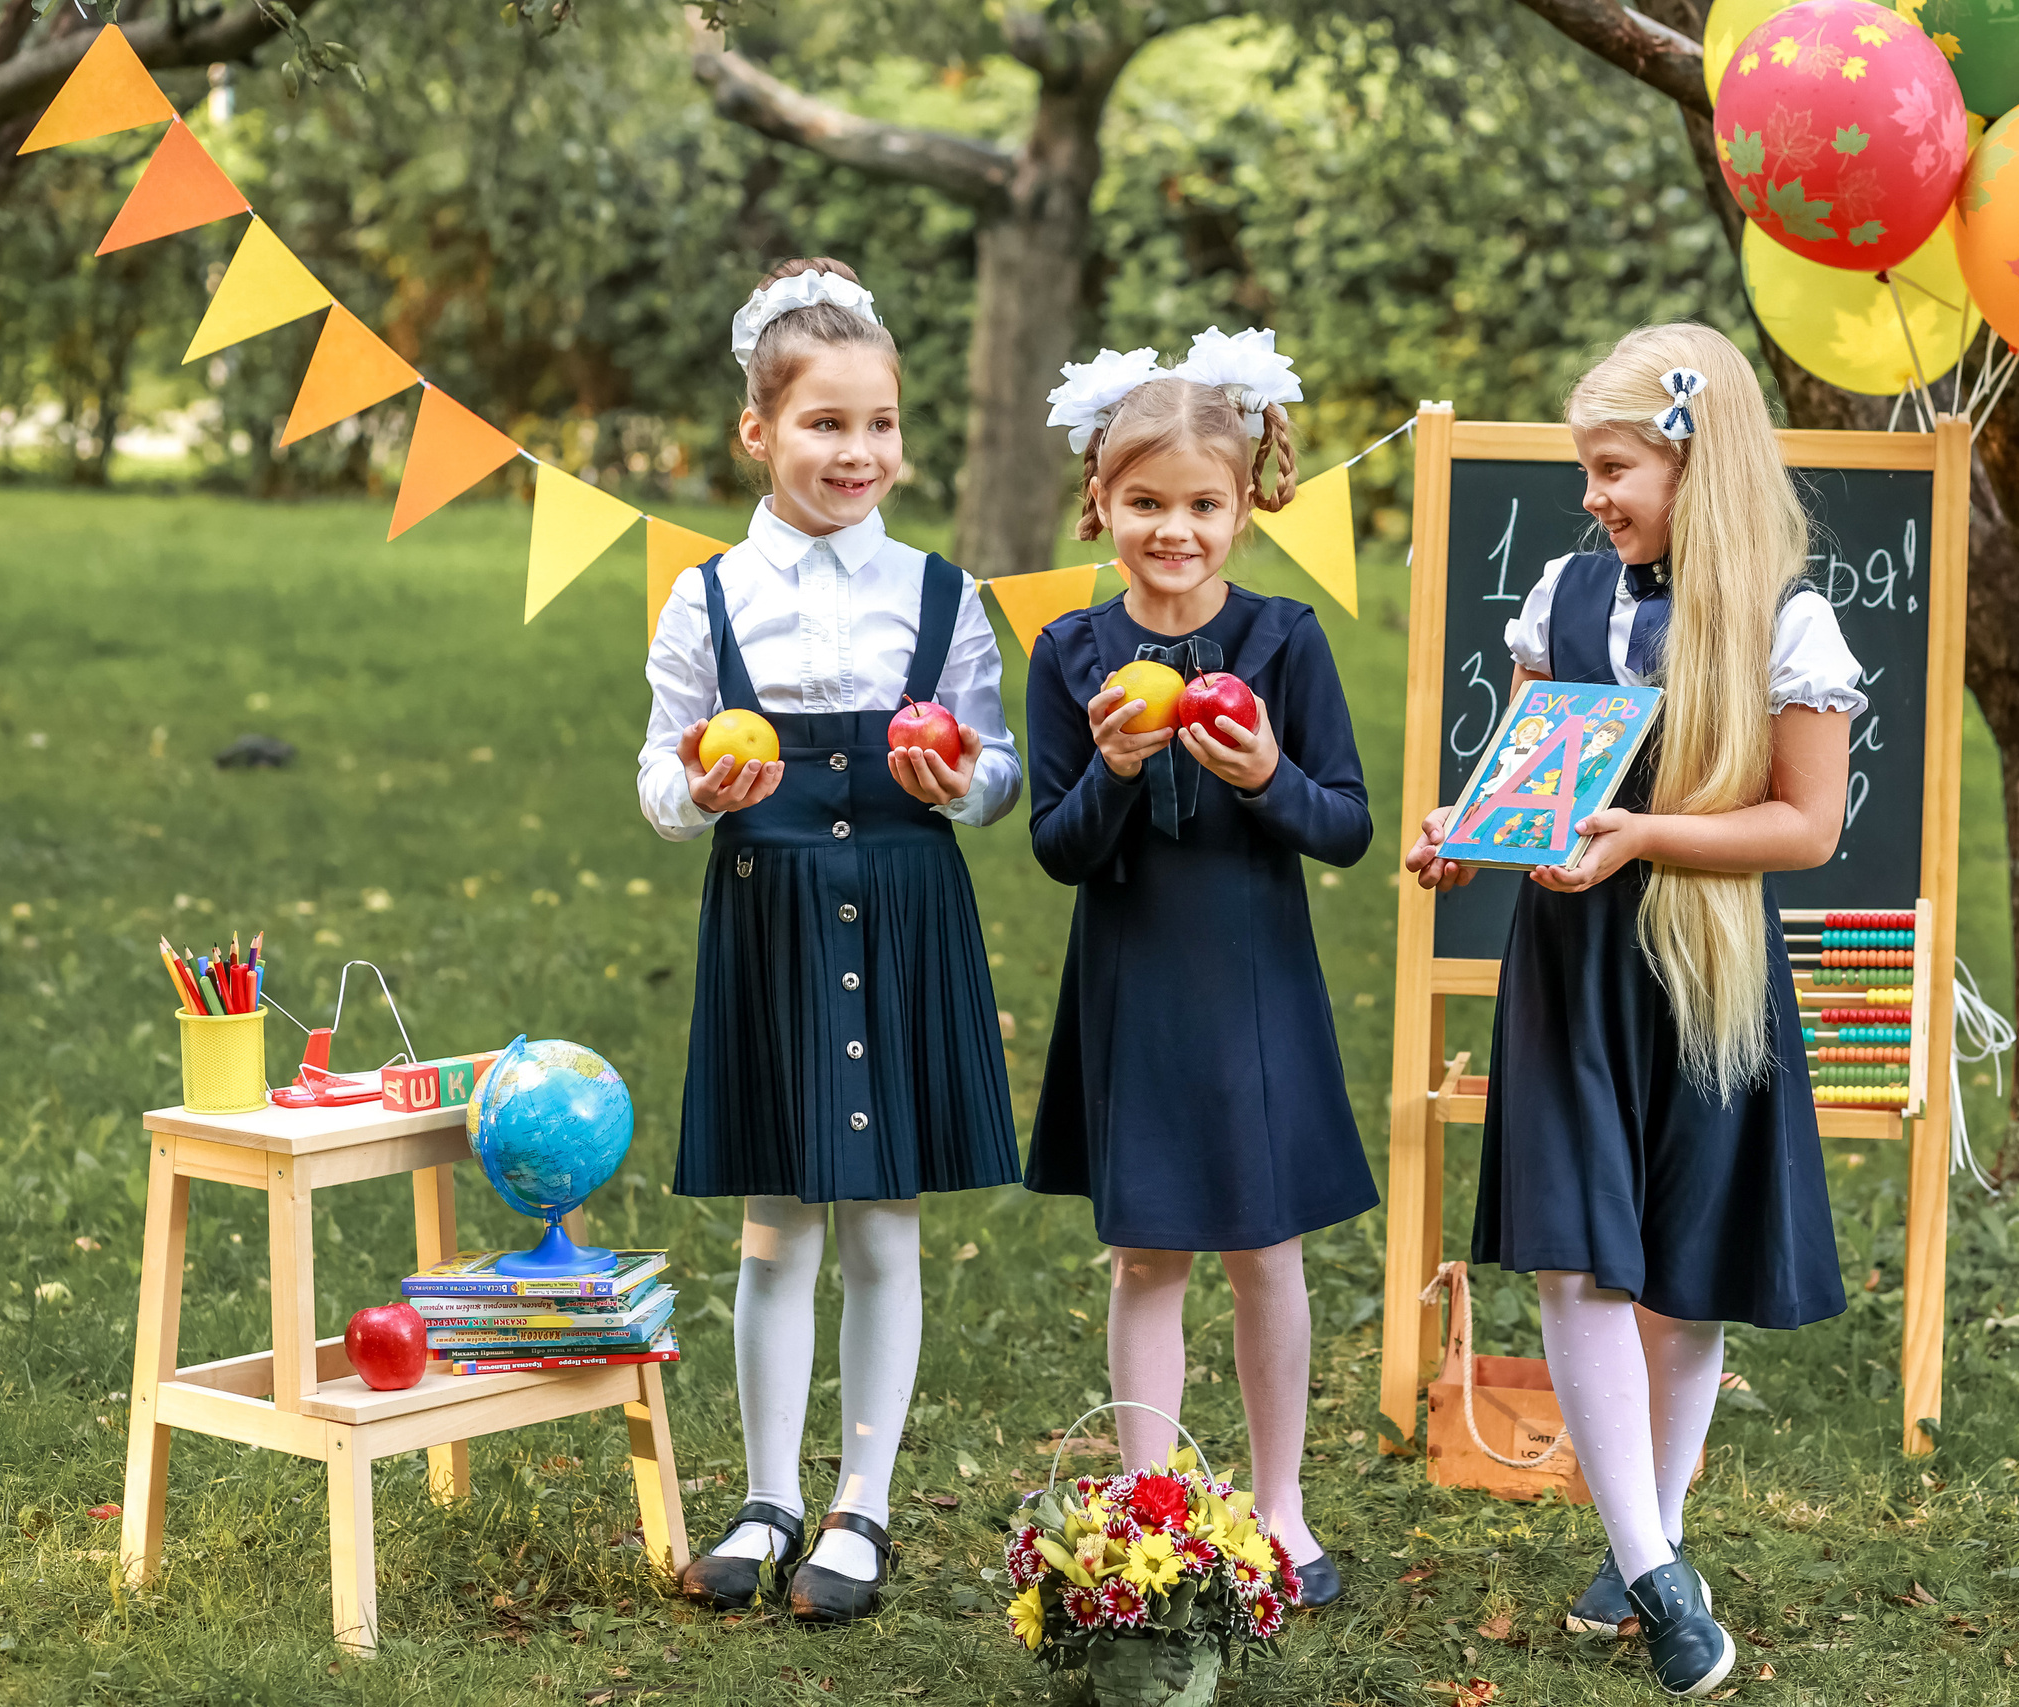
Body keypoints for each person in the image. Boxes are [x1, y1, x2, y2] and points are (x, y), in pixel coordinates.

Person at [1404, 324, 1862, 1697]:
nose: (1591, 495)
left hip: (1703, 962)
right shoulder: (1563, 595)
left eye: (1614, 468)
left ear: (1695, 464)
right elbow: (1532, 774)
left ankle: (1640, 1534)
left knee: (1682, 1266)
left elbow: (1808, 825)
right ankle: (1661, 1579)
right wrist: (1468, 832)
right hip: (1571, 956)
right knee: (1575, 1254)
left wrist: (1647, 836)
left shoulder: (1785, 620)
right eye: (1586, 468)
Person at [637, 258, 1022, 1623]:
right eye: (824, 423)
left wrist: (959, 782)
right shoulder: (708, 597)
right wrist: (704, 788)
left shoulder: (941, 594)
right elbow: (659, 775)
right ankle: (765, 1496)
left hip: (905, 913)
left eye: (880, 423)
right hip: (775, 918)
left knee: (883, 1228)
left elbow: (997, 768)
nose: (858, 451)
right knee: (776, 1229)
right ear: (758, 430)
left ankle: (862, 1504)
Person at [1021, 329, 1374, 1611]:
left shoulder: (1283, 642)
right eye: (1146, 503)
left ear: (1245, 505)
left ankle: (1278, 1506)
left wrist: (1269, 775)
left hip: (1255, 989)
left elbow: (1346, 826)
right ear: (1102, 499)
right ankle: (1150, 1509)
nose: (1174, 530)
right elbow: (1058, 850)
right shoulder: (1069, 653)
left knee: (1265, 1251)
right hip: (1133, 986)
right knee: (1145, 1258)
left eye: (1202, 506)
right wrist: (1115, 773)